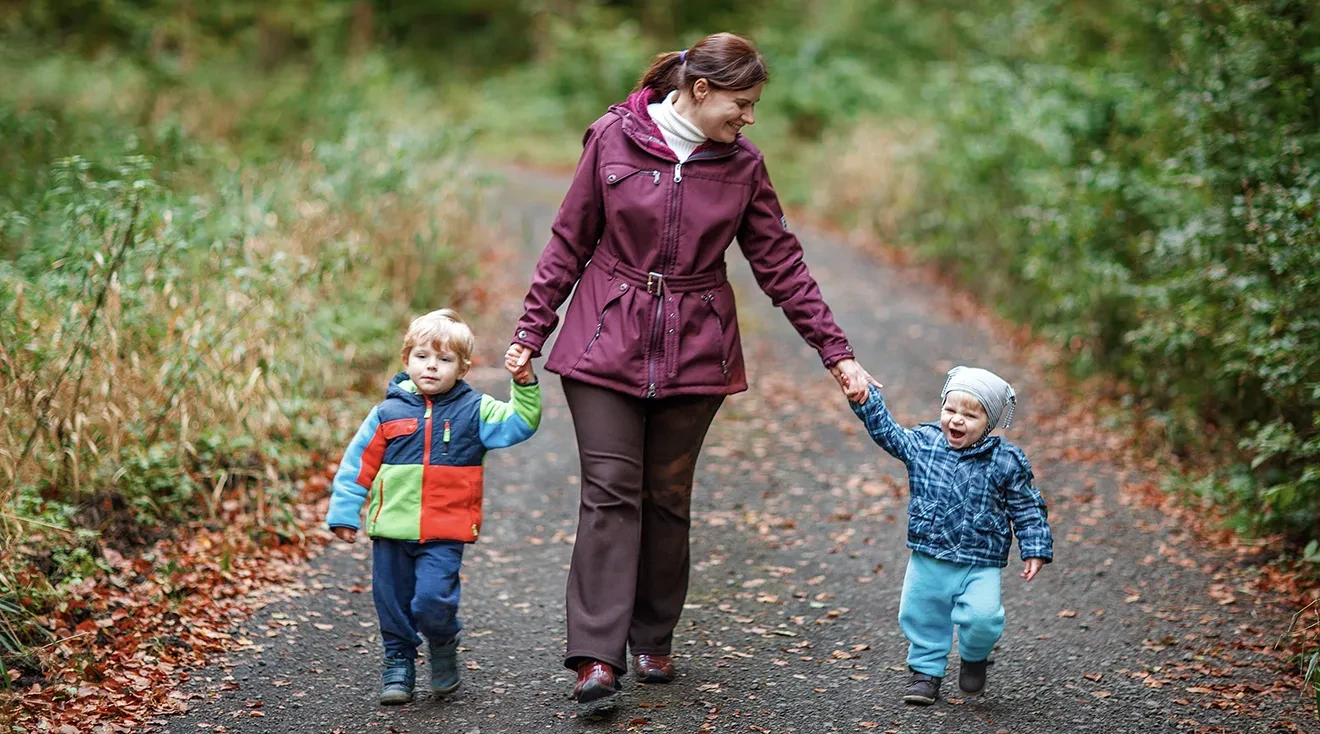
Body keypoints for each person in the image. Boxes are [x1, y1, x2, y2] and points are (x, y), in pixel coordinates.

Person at [504, 32, 879, 702]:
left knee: (667, 498)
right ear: (700, 90)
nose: (750, 117)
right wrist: (533, 329)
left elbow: (782, 265)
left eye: (755, 106)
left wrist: (837, 354)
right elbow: (569, 238)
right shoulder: (613, 139)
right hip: (603, 339)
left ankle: (652, 639)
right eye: (742, 103)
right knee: (610, 494)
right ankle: (596, 656)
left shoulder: (744, 166)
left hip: (696, 346)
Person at [326, 309, 541, 705]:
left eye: (445, 360)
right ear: (406, 359)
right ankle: (398, 663)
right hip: (391, 528)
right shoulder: (386, 414)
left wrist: (524, 384)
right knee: (391, 602)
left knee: (432, 600)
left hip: (445, 530)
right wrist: (344, 512)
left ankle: (442, 643)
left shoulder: (476, 411)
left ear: (462, 368)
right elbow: (357, 465)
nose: (432, 366)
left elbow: (520, 423)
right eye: (423, 356)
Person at [848, 366, 1053, 705]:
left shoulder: (1006, 461)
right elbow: (888, 432)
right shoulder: (924, 444)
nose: (956, 420)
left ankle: (974, 656)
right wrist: (867, 400)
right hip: (929, 555)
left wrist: (1034, 547)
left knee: (984, 618)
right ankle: (926, 673)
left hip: (980, 562)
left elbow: (1027, 506)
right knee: (921, 614)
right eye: (950, 410)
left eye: (970, 415)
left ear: (989, 423)